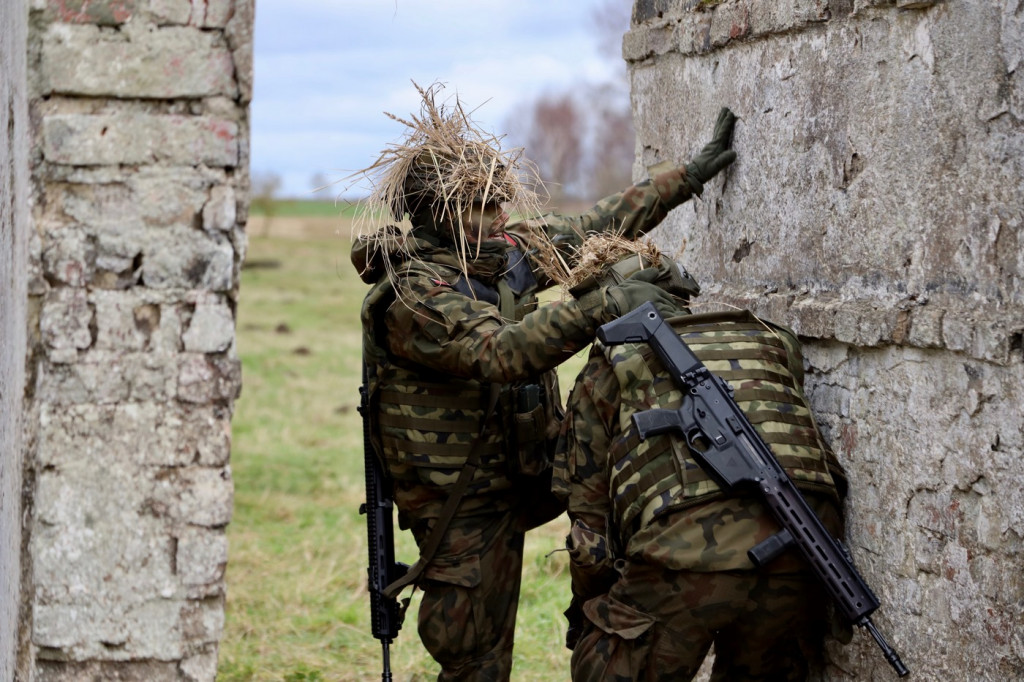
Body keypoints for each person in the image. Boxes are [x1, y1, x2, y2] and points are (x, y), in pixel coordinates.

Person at [352, 82, 737, 681]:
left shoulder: (500, 253)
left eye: (502, 201)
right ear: (443, 218)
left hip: (531, 469)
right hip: (465, 506)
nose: (502, 217)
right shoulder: (410, 297)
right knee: (476, 657)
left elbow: (592, 227)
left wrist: (686, 175)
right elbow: (502, 352)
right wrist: (604, 304)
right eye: (484, 207)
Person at [553, 239, 851, 681]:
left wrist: (592, 608)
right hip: (804, 545)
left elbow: (590, 529)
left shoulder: (611, 363)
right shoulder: (767, 337)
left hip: (682, 555)